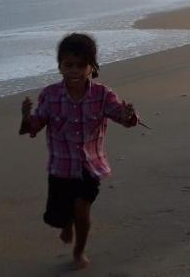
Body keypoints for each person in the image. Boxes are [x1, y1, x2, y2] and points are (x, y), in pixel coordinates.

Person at [20, 33, 142, 271]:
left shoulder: (103, 95)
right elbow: (34, 127)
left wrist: (129, 115)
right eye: (68, 65)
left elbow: (124, 120)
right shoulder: (50, 95)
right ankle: (66, 222)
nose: (74, 71)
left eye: (81, 65)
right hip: (61, 168)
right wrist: (26, 117)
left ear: (92, 67)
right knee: (56, 217)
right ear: (60, 67)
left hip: (90, 165)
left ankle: (79, 250)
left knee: (82, 210)